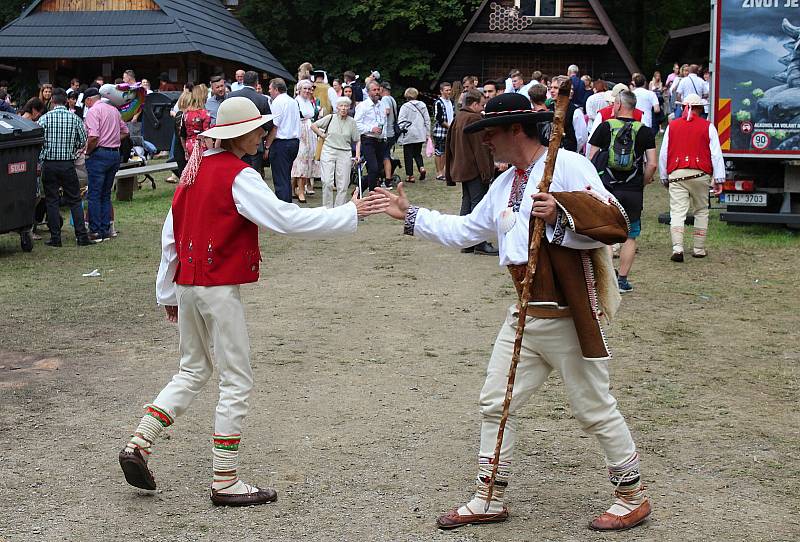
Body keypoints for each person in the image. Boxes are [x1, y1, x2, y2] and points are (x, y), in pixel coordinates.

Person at [375, 92, 649, 533]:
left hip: (567, 314)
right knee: (494, 404)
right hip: (524, 314)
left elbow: (613, 222)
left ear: (516, 131)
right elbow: (465, 231)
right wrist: (411, 216)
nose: (485, 141)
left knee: (593, 408)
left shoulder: (570, 166)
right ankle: (488, 496)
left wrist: (562, 212)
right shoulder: (505, 184)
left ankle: (632, 495)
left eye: (491, 133)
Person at [118, 96, 389, 506]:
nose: (265, 135)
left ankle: (140, 441)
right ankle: (224, 480)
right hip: (218, 286)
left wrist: (167, 292)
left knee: (192, 369)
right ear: (242, 133)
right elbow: (287, 219)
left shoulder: (194, 170)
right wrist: (349, 213)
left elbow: (170, 239)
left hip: (189, 283)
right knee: (236, 379)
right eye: (261, 129)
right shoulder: (237, 175)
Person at [588, 90, 657, 293]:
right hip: (633, 189)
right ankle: (623, 280)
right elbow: (652, 164)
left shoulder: (605, 127)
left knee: (607, 233)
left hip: (608, 188)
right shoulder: (644, 131)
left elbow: (591, 158)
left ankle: (607, 278)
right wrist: (641, 183)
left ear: (617, 105)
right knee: (630, 235)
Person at [659, 94, 725, 261]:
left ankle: (678, 247)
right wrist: (719, 178)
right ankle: (698, 248)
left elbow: (664, 153)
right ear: (700, 109)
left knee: (677, 212)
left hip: (677, 173)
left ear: (683, 107)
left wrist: (664, 176)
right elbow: (716, 155)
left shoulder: (672, 126)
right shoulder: (708, 127)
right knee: (701, 210)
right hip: (700, 174)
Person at [37, 89, 96, 247]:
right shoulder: (74, 118)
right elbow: (83, 139)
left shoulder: (44, 119)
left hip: (49, 164)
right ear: (65, 101)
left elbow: (38, 141)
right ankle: (81, 236)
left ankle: (56, 238)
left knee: (51, 200)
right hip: (67, 164)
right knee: (75, 200)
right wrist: (72, 149)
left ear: (53, 102)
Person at [444, 89, 496, 255]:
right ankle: (479, 243)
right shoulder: (474, 118)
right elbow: (481, 149)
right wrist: (487, 172)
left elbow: (450, 145)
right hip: (474, 169)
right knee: (478, 205)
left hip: (462, 168)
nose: (482, 108)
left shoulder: (459, 117)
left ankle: (466, 242)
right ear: (474, 104)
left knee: (467, 203)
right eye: (481, 105)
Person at [83, 87, 129, 241]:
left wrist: (88, 151)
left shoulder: (93, 112)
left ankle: (95, 231)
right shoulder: (113, 110)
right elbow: (125, 131)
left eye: (86, 103)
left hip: (99, 154)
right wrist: (113, 140)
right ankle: (105, 229)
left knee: (94, 194)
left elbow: (94, 136)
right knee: (105, 193)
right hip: (114, 154)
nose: (86, 106)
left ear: (89, 100)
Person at [311, 96, 361, 208]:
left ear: (349, 108)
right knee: (327, 182)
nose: (343, 108)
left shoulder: (352, 122)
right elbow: (313, 125)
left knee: (343, 184)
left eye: (346, 106)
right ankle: (327, 209)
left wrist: (357, 155)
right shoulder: (330, 118)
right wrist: (322, 135)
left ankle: (339, 209)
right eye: (341, 106)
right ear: (337, 107)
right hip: (329, 150)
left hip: (345, 153)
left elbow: (357, 140)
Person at [265, 77, 301, 203]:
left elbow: (275, 127)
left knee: (281, 179)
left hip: (281, 143)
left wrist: (267, 146)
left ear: (276, 89)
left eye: (270, 89)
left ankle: (284, 208)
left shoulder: (278, 102)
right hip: (294, 142)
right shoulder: (293, 101)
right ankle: (287, 205)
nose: (269, 91)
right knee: (285, 176)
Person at [229, 71, 271, 175]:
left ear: (243, 81)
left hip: (236, 141)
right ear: (256, 83)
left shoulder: (231, 96)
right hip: (255, 143)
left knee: (237, 174)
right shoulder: (262, 99)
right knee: (252, 175)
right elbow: (269, 124)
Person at [290, 80, 321, 202]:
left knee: (306, 161)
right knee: (300, 162)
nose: (307, 91)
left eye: (309, 89)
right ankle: (300, 191)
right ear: (299, 89)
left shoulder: (310, 102)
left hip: (310, 133)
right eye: (305, 89)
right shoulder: (295, 102)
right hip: (299, 133)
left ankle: (293, 188)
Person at [354, 80, 387, 192]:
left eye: (378, 90)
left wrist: (384, 135)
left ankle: (359, 190)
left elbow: (384, 121)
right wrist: (371, 129)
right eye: (374, 90)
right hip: (368, 140)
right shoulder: (363, 106)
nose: (377, 92)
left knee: (378, 170)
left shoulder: (382, 105)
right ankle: (372, 194)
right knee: (373, 168)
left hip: (380, 140)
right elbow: (356, 124)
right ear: (368, 92)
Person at [396, 87, 430, 183]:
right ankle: (421, 167)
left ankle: (410, 176)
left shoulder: (405, 106)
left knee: (408, 155)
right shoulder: (422, 105)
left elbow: (401, 121)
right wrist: (427, 133)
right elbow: (427, 119)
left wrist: (400, 130)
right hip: (420, 133)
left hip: (408, 134)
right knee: (417, 153)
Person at [547, 76, 587, 153]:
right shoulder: (549, 109)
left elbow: (582, 138)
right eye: (550, 88)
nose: (552, 91)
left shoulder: (575, 112)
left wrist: (571, 151)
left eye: (556, 88)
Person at [181, 84, 212, 156]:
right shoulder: (204, 114)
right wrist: (212, 153)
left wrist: (185, 150)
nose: (207, 97)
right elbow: (207, 136)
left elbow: (183, 134)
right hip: (202, 146)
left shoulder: (186, 113)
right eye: (206, 95)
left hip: (189, 145)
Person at [432, 82, 453, 180]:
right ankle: (439, 172)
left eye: (450, 90)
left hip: (449, 131)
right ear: (441, 91)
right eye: (447, 90)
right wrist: (448, 126)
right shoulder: (438, 102)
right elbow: (439, 118)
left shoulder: (451, 102)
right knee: (438, 152)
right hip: (440, 132)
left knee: (445, 152)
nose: (449, 92)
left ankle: (443, 170)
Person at [380, 82, 399, 187]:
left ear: (382, 89)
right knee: (387, 155)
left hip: (387, 132)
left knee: (385, 156)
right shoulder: (392, 99)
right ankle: (387, 177)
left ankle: (387, 179)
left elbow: (386, 111)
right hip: (392, 132)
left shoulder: (385, 99)